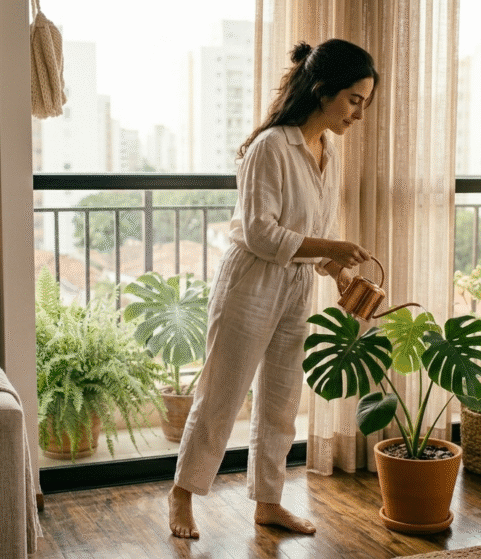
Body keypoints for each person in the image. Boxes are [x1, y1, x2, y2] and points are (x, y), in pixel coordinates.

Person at [168, 38, 379, 539]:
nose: (359, 113)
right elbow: (262, 233)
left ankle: (269, 501)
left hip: (295, 284)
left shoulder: (329, 151)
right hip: (251, 281)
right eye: (354, 99)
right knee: (222, 393)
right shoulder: (271, 146)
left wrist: (340, 271)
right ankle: (181, 495)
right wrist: (332, 244)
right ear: (324, 90)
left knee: (282, 399)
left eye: (364, 103)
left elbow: (307, 238)